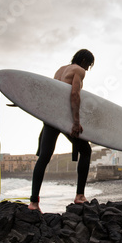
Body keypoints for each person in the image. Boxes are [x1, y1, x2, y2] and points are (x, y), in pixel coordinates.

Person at [28, 49, 95, 212]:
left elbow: (50, 94)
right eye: (89, 65)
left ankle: (33, 203)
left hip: (50, 118)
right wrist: (76, 122)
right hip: (63, 118)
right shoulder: (78, 71)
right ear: (84, 60)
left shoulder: (60, 70)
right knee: (86, 151)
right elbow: (74, 95)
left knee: (44, 158)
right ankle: (80, 196)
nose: (87, 69)